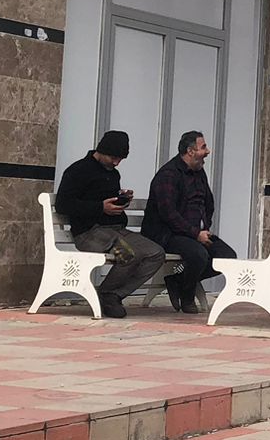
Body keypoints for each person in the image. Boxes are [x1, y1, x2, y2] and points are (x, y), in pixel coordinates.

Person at [55, 131, 166, 318]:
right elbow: (63, 204)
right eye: (113, 158)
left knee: (156, 253)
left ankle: (112, 294)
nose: (116, 163)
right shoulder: (78, 170)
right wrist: (100, 207)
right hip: (90, 232)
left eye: (120, 159)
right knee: (128, 254)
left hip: (117, 229)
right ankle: (108, 295)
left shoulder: (113, 174)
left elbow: (108, 199)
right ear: (102, 151)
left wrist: (121, 199)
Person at [143, 129, 236, 314]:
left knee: (227, 256)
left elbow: (208, 203)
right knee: (198, 255)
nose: (207, 151)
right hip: (167, 233)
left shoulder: (199, 173)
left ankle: (177, 280)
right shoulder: (168, 175)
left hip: (193, 233)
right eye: (203, 147)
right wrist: (195, 233)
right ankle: (187, 296)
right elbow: (168, 214)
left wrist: (204, 228)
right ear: (190, 151)